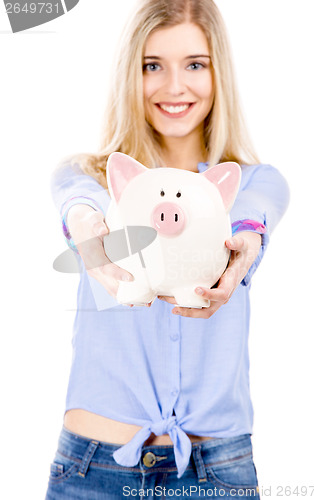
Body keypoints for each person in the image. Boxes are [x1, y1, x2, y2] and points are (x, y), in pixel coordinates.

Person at [45, 0, 289, 498]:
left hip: (216, 472)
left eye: (195, 65)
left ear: (219, 74)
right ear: (128, 74)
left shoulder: (253, 183)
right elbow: (78, 205)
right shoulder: (88, 176)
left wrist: (244, 247)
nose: (174, 87)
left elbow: (253, 217)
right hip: (94, 467)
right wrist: (89, 227)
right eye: (152, 66)